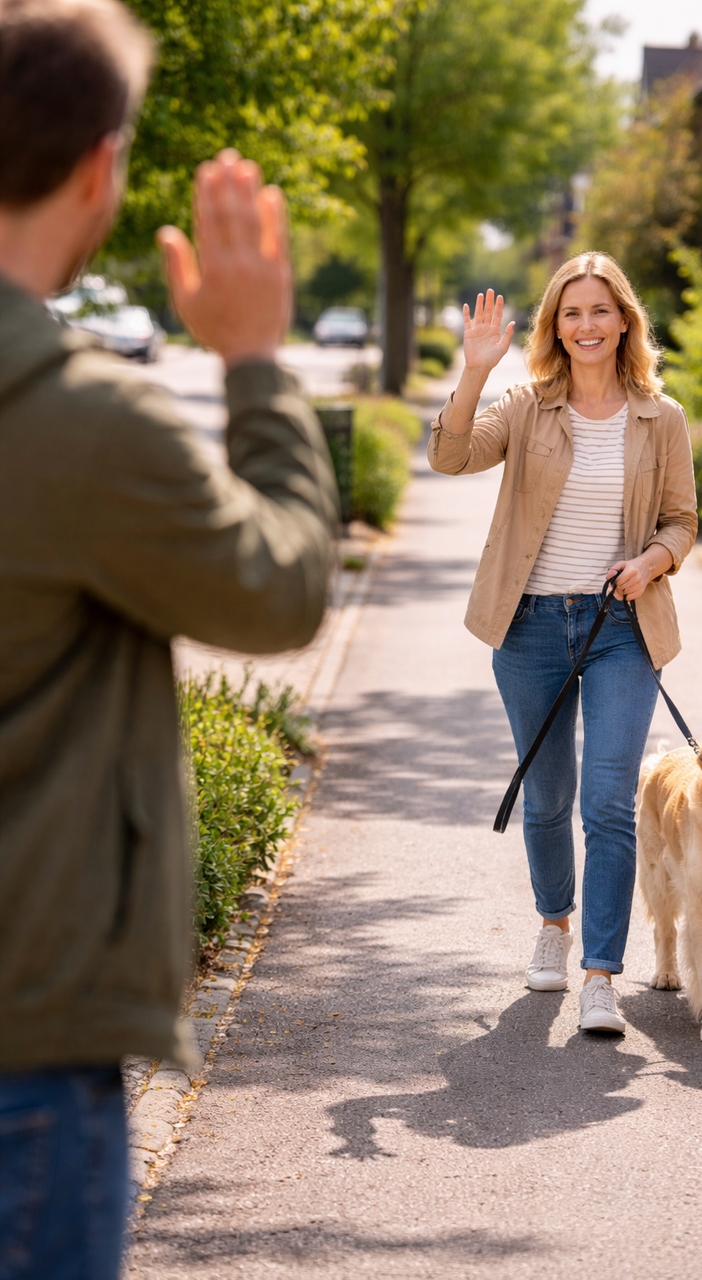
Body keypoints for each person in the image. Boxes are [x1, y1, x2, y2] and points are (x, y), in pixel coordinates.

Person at [0, 0, 338, 1274]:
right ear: (100, 169)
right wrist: (253, 360)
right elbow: (280, 589)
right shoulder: (82, 419)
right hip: (27, 1047)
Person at [428, 254, 697, 1034]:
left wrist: (649, 563)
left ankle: (600, 975)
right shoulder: (524, 406)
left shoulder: (661, 417)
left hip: (620, 628)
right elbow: (449, 456)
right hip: (530, 627)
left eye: (599, 310)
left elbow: (681, 521)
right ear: (554, 326)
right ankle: (554, 924)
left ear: (623, 321)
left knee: (608, 802)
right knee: (546, 798)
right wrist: (474, 372)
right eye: (570, 312)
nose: (586, 325)